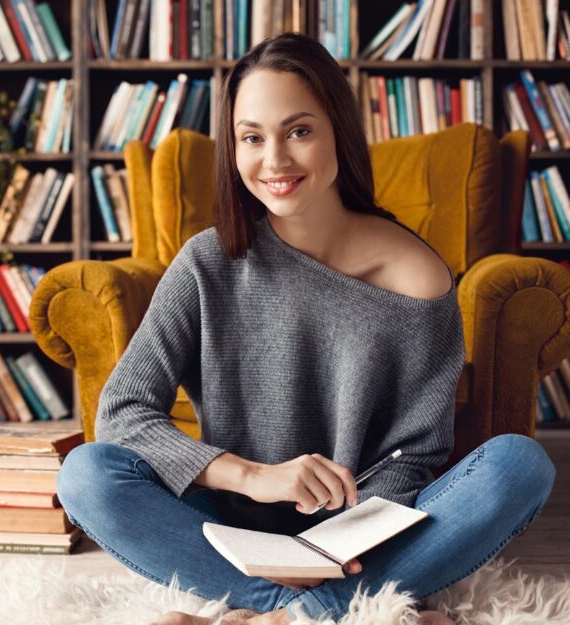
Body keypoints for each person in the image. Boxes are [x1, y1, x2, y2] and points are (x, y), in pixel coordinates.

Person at [56, 33, 556, 625]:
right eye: (252, 137)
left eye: (298, 131)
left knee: (518, 465)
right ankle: (327, 613)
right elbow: (123, 413)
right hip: (230, 522)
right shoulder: (205, 263)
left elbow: (415, 452)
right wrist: (253, 477)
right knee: (86, 475)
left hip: (364, 534)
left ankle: (282, 614)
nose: (274, 161)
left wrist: (334, 546)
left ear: (338, 130)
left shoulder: (418, 277)